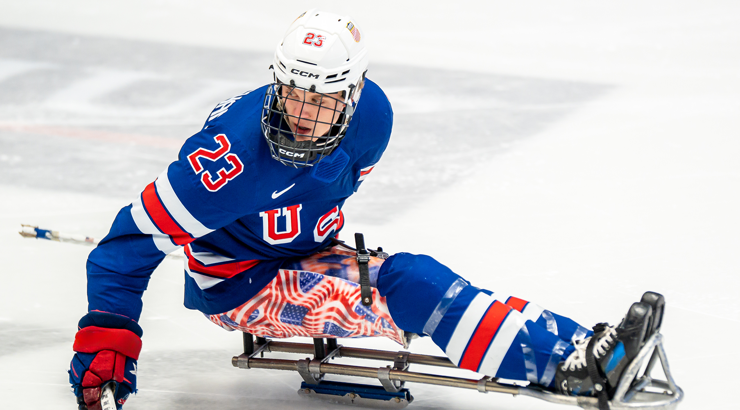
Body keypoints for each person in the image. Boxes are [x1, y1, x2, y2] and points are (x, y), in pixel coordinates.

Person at [67, 9, 660, 410]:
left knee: (409, 280)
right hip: (240, 284)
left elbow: (316, 188)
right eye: (292, 92)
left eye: (320, 100)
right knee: (413, 283)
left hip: (297, 255)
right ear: (276, 81)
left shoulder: (373, 117)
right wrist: (109, 332)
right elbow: (127, 244)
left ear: (351, 94)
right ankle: (572, 363)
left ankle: (582, 346)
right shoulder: (225, 164)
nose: (301, 114)